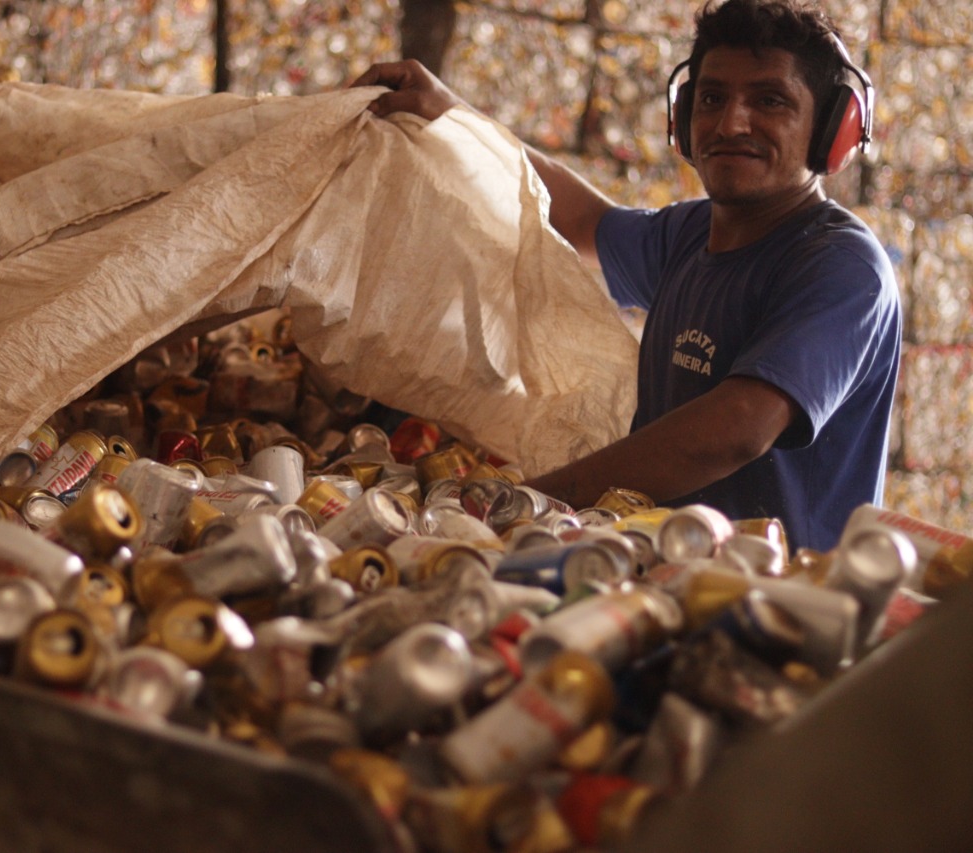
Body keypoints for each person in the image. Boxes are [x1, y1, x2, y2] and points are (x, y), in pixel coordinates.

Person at [352, 0, 901, 553]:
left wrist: (529, 502)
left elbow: (738, 429)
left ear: (832, 130)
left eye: (770, 101)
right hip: (660, 574)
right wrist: (454, 116)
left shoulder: (840, 267)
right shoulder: (691, 235)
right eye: (711, 98)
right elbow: (580, 218)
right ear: (683, 118)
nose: (732, 122)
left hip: (777, 608)